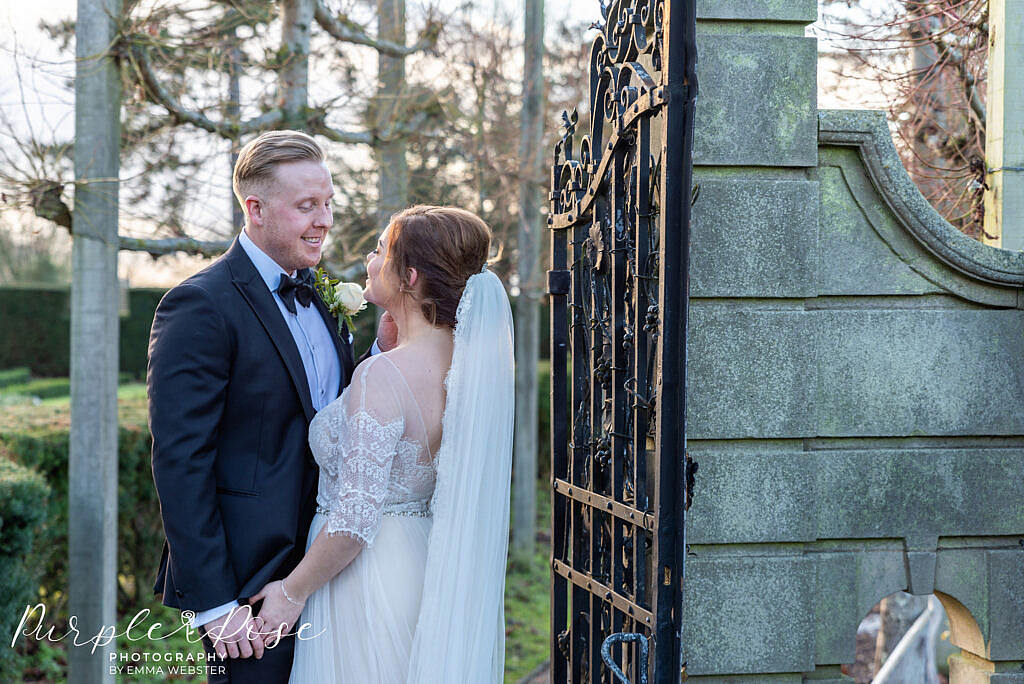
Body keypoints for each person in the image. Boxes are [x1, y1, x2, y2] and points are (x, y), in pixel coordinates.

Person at [251, 205, 515, 682]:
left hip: (363, 580)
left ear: (408, 276)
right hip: (420, 563)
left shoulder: (383, 375)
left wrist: (290, 593)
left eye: (378, 251)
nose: (370, 262)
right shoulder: (471, 365)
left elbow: (354, 520)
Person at [148, 130, 372, 683]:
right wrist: (216, 605)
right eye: (306, 206)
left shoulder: (318, 292)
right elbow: (181, 461)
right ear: (256, 209)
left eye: (328, 203)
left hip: (328, 567)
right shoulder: (199, 305)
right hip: (246, 586)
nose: (324, 220)